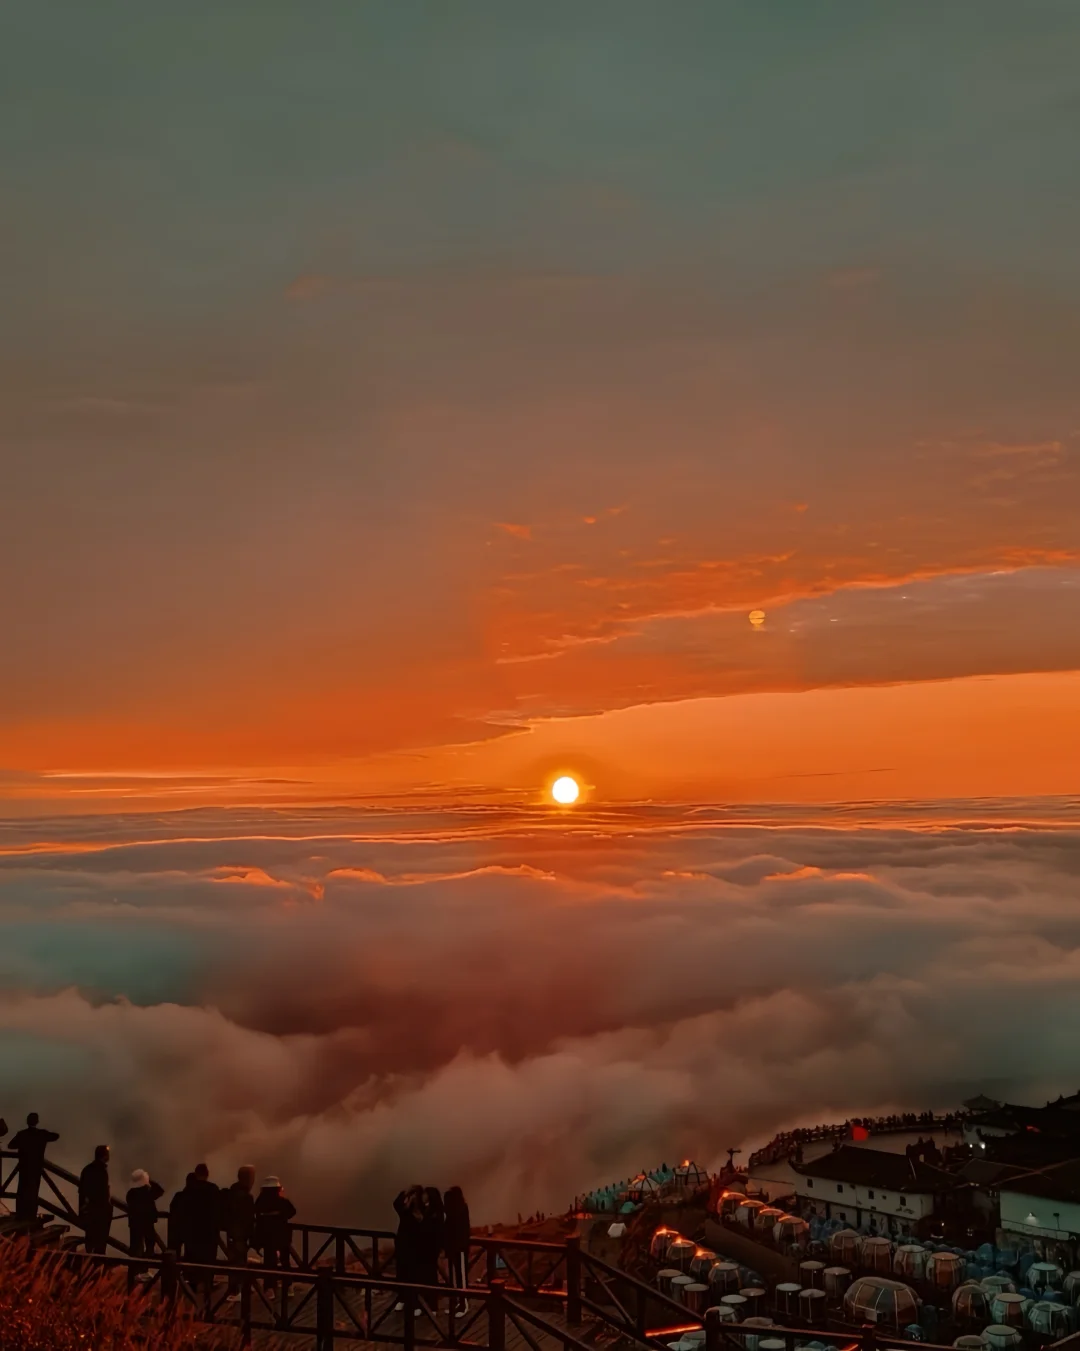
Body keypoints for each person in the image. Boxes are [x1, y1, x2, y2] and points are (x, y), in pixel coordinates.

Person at [9, 1113, 59, 1222]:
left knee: (22, 1191)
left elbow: (10, 1145)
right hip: (36, 1168)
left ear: (27, 1121)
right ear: (37, 1122)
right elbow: (56, 1136)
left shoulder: (22, 1134)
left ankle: (21, 1214)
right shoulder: (41, 1134)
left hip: (24, 1167)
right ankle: (31, 1215)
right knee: (33, 1191)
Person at [254, 1176, 296, 1295]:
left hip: (267, 1236)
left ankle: (270, 1288)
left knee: (269, 1262)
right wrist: (281, 1216)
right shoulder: (283, 1202)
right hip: (282, 1235)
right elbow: (292, 1211)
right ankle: (288, 1287)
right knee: (285, 1261)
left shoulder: (260, 1202)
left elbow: (257, 1217)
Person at [183, 1163, 222, 1290]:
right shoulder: (213, 1189)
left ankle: (193, 1282)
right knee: (209, 1258)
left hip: (192, 1230)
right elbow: (217, 1209)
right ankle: (207, 1283)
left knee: (193, 1256)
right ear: (207, 1174)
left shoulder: (188, 1190)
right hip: (209, 1230)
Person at [221, 1165, 256, 1302]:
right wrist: (252, 1236)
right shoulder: (246, 1197)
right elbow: (248, 1218)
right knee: (239, 1262)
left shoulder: (231, 1192)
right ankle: (236, 1291)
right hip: (240, 1234)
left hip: (231, 1232)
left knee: (234, 1260)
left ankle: (236, 1289)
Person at [393, 1186, 426, 1313]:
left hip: (416, 1248)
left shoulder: (422, 1212)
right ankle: (402, 1299)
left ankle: (416, 1303)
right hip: (403, 1246)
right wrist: (405, 1192)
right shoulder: (405, 1211)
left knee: (415, 1276)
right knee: (402, 1273)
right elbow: (396, 1203)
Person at [126, 1169, 164, 1277]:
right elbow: (160, 1191)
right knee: (149, 1247)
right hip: (147, 1223)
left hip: (135, 1224)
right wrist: (148, 1181)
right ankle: (144, 1270)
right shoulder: (147, 1191)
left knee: (136, 1248)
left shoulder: (131, 1193)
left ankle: (135, 1272)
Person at [78, 1145, 112, 1254]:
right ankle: (97, 1264)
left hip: (90, 1211)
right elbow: (101, 1192)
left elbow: (82, 1190)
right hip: (99, 1211)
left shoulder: (88, 1169)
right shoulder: (100, 1171)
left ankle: (90, 1264)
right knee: (100, 1241)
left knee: (90, 1240)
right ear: (104, 1155)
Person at [443, 1186, 471, 1314]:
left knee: (462, 1278)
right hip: (454, 1248)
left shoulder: (461, 1209)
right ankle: (458, 1303)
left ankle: (464, 1305)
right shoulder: (454, 1210)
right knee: (456, 1278)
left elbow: (461, 1229)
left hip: (460, 1249)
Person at [168, 1173, 194, 1257]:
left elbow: (172, 1208)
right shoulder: (195, 1198)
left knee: (174, 1254)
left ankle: (173, 1268)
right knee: (190, 1255)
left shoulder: (179, 1196)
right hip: (191, 1230)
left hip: (176, 1230)